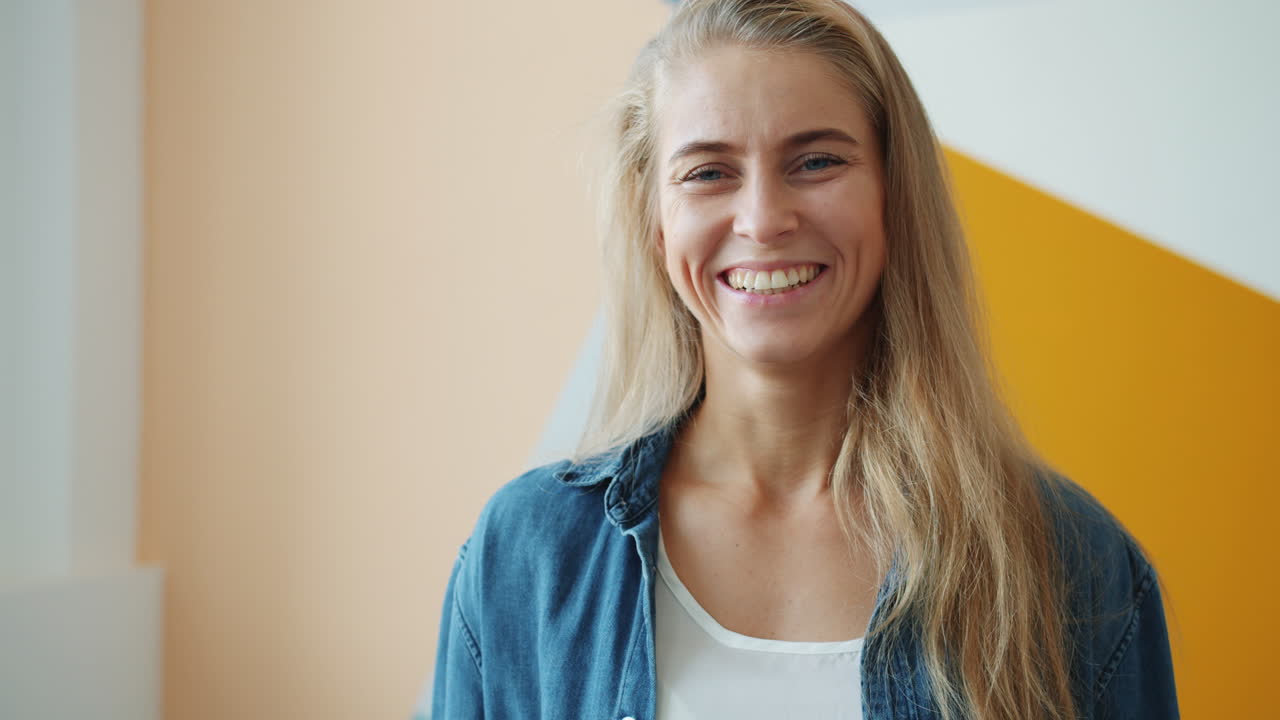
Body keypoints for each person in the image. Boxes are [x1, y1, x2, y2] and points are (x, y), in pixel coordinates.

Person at [430, 0, 1179, 718]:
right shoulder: (526, 557)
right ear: (654, 223)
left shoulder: (1076, 569)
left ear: (894, 196)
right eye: (707, 172)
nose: (763, 220)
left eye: (816, 161)